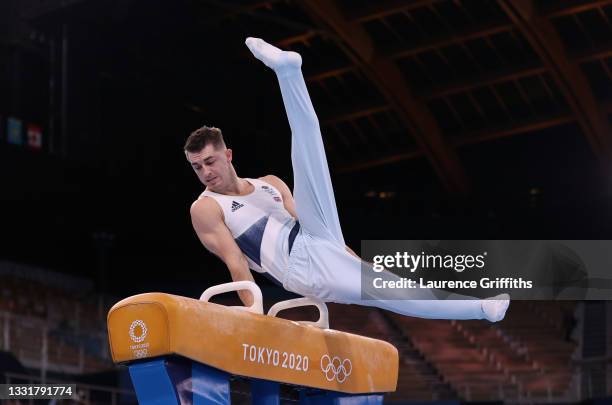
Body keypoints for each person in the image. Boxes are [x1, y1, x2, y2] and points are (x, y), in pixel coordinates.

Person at [187, 37, 509, 322]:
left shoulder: (269, 183)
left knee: (308, 147)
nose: (206, 172)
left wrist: (351, 260)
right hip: (301, 267)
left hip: (320, 241)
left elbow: (315, 223)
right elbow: (236, 264)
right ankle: (480, 309)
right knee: (399, 294)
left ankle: (288, 71)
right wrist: (254, 316)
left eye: (210, 161)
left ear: (228, 155)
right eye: (197, 167)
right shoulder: (207, 208)